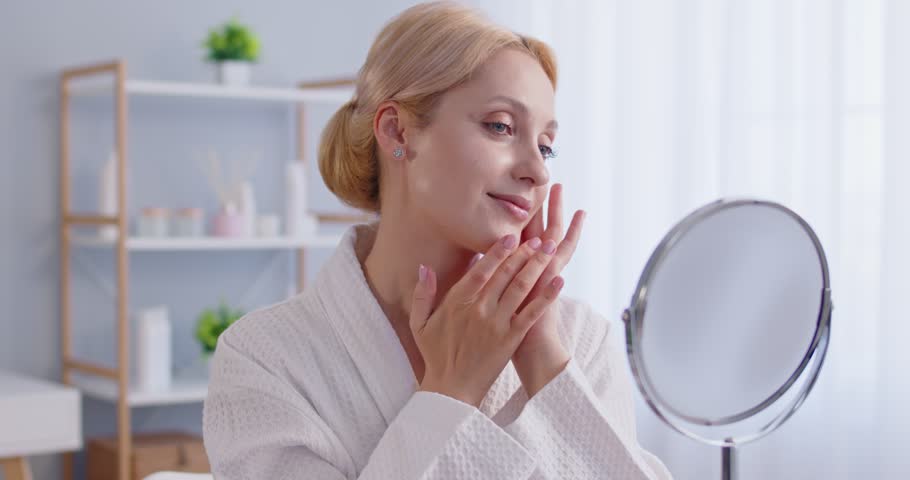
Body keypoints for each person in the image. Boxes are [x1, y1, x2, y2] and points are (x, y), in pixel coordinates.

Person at [203, 2, 672, 478]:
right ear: (397, 130)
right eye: (502, 126)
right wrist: (451, 394)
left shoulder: (579, 342)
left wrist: (542, 360)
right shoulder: (266, 358)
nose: (537, 170)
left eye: (546, 145)